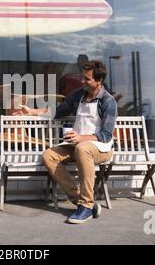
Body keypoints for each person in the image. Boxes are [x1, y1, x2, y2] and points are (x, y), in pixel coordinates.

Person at [14, 60, 118, 224]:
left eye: (87, 79)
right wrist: (31, 111)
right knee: (49, 155)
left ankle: (86, 205)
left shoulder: (108, 101)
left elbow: (105, 135)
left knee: (83, 149)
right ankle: (81, 201)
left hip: (101, 148)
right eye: (82, 77)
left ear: (99, 81)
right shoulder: (79, 94)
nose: (82, 81)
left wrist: (81, 138)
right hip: (77, 146)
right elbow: (57, 110)